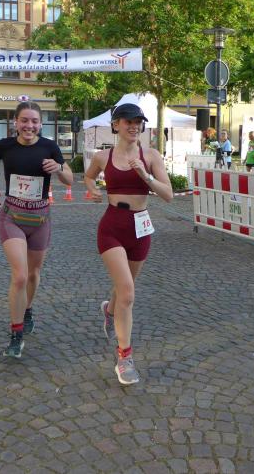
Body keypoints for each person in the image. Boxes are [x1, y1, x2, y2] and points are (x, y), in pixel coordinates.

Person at [84, 103, 173, 385]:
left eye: (138, 122)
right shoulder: (103, 156)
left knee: (125, 290)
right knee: (128, 292)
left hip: (140, 229)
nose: (134, 126)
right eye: (128, 121)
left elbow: (168, 194)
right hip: (112, 227)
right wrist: (93, 190)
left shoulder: (151, 155)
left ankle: (109, 310)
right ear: (116, 125)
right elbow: (88, 176)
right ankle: (125, 358)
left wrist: (146, 176)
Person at [0, 102, 73, 358]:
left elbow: (69, 179)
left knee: (33, 274)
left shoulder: (50, 147)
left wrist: (59, 169)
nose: (29, 125)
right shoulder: (5, 146)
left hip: (40, 219)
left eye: (34, 121)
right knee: (20, 276)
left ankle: (28, 308)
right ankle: (16, 333)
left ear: (40, 124)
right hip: (12, 217)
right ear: (16, 122)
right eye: (24, 120)